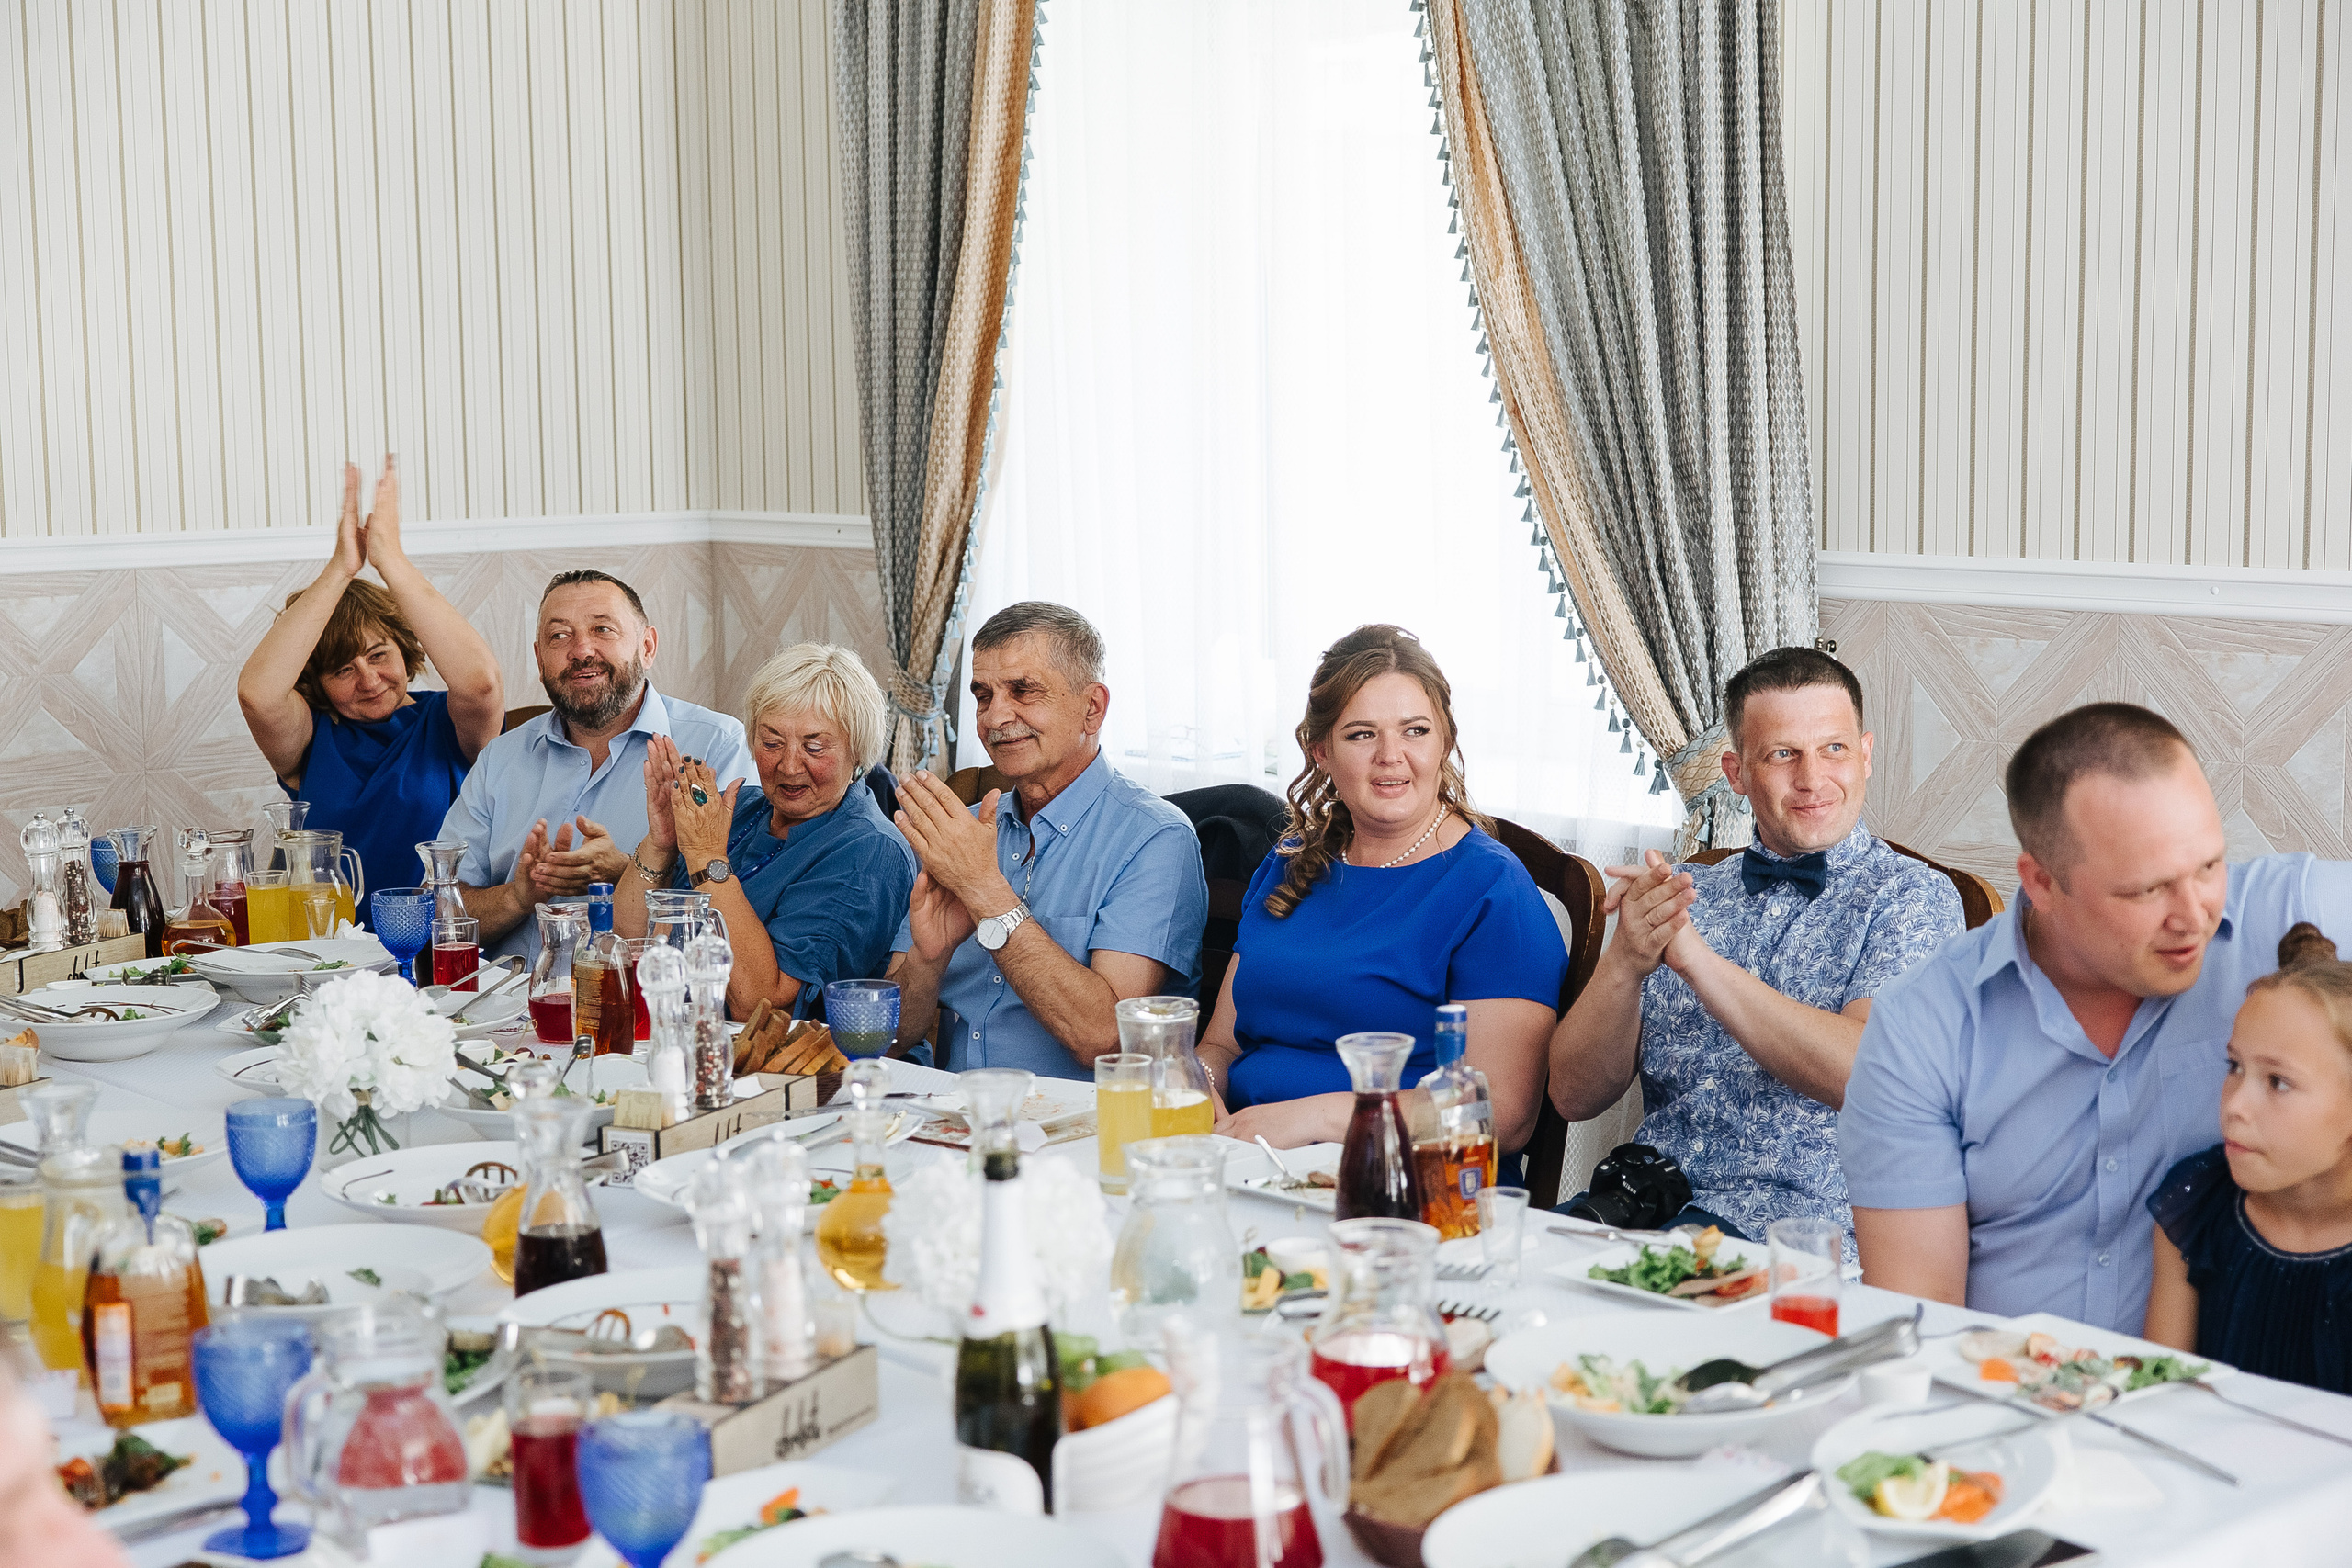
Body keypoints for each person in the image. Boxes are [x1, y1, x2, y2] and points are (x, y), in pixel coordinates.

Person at [1842, 703, 2352, 1334]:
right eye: (2146, 889)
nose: (2194, 914)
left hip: (2234, 1405)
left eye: (2209, 866)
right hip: (2005, 1401)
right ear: (2043, 882)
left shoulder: (2292, 908)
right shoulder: (1920, 1027)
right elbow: (1923, 1325)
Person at [1547, 647, 1962, 1241]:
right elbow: (1572, 1094)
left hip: (1800, 1236)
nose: (1813, 779)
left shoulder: (1915, 899)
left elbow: (1867, 1073)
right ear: (1737, 773)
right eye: (1783, 754)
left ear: (1866, 755)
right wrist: (1625, 961)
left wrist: (1698, 964)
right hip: (1639, 1210)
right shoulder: (1685, 893)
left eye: (1834, 749)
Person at [1199, 626, 1566, 1152]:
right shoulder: (1292, 862)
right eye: (1361, 734)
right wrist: (1199, 1084)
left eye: (1415, 731)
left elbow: (1500, 1114)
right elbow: (1221, 1046)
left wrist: (1315, 1119)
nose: (1391, 755)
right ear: (1320, 750)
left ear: (1445, 742)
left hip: (1404, 1179)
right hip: (1246, 1158)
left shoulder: (1493, 890)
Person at [887, 602, 1207, 1078]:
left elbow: (1107, 1040)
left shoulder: (1156, 838)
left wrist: (986, 893)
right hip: (953, 1118)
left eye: (1022, 690)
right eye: (983, 695)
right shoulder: (961, 833)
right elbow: (894, 1040)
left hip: (1087, 1132)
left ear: (1092, 708)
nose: (995, 717)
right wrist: (929, 960)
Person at [439, 570, 756, 962]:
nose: (581, 650)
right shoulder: (499, 759)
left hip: (643, 1005)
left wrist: (626, 872)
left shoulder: (717, 746)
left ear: (647, 646)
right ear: (540, 660)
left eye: (603, 629)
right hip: (502, 1006)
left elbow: (741, 915)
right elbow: (441, 908)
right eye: (559, 636)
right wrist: (517, 897)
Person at [236, 457, 503, 898]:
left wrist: (391, 561)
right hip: (327, 946)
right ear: (317, 682)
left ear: (404, 645)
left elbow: (482, 683)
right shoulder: (309, 737)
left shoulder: (448, 722)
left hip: (433, 939)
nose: (369, 679)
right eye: (343, 669)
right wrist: (341, 567)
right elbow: (258, 696)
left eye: (379, 654)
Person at [615, 643, 916, 1020]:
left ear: (858, 751)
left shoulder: (869, 850)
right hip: (683, 1039)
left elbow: (759, 1004)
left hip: (796, 1068)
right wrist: (661, 841)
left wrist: (708, 860)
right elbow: (631, 942)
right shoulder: (740, 809)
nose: (789, 766)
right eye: (771, 743)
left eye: (815, 747)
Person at [2143, 922, 2352, 1393]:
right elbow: (2159, 1402)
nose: (2235, 1104)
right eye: (2235, 1066)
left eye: (2278, 1081)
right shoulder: (2195, 1206)